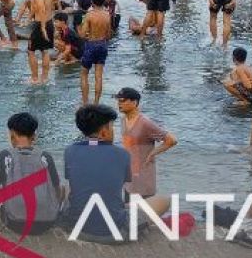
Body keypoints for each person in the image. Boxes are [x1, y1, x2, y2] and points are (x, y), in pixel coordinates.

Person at [60, 104, 172, 243]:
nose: (113, 131)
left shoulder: (70, 151)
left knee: (70, 187)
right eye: (111, 127)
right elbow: (120, 184)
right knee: (165, 200)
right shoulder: (122, 154)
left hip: (74, 228)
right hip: (113, 233)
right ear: (103, 132)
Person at [0, 113, 62, 236]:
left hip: (16, 223)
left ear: (12, 135)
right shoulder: (45, 157)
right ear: (34, 136)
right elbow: (56, 190)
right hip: (47, 223)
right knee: (63, 187)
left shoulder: (5, 156)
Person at [115, 88, 177, 198]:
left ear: (134, 102)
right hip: (128, 175)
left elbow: (171, 140)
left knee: (142, 212)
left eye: (122, 101)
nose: (119, 104)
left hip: (143, 177)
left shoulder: (145, 123)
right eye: (118, 101)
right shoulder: (123, 120)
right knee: (128, 210)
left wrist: (152, 153)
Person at [19, 0, 54, 84]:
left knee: (31, 51)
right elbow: (36, 8)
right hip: (49, 22)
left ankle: (34, 78)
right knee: (45, 51)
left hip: (41, 25)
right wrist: (28, 19)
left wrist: (42, 27)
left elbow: (42, 9)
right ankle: (44, 78)